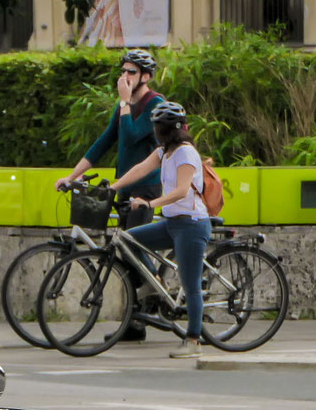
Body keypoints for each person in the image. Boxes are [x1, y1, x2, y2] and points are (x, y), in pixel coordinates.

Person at [111, 100, 212, 359]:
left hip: (191, 224)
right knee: (128, 241)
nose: (158, 132)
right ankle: (155, 282)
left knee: (190, 286)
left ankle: (193, 340)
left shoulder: (186, 153)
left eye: (161, 128)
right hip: (171, 223)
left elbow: (181, 190)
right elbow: (140, 169)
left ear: (171, 129)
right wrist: (112, 187)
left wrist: (149, 203)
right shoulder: (164, 151)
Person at [56, 49, 164, 228]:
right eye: (123, 71)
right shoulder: (124, 106)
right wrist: (72, 176)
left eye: (131, 72)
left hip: (145, 186)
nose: (124, 76)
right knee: (121, 246)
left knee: (134, 244)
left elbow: (131, 136)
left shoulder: (155, 104)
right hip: (124, 183)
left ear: (146, 77)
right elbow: (104, 142)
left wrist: (124, 101)